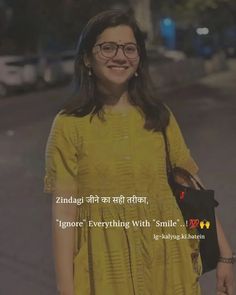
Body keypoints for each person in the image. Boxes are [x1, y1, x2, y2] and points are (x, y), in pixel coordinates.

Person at [44, 9, 235, 295]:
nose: (120, 56)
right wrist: (66, 288)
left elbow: (191, 189)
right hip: (105, 266)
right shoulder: (69, 125)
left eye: (129, 48)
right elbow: (64, 212)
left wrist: (225, 255)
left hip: (169, 262)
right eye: (108, 47)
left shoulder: (159, 116)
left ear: (138, 60)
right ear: (86, 58)